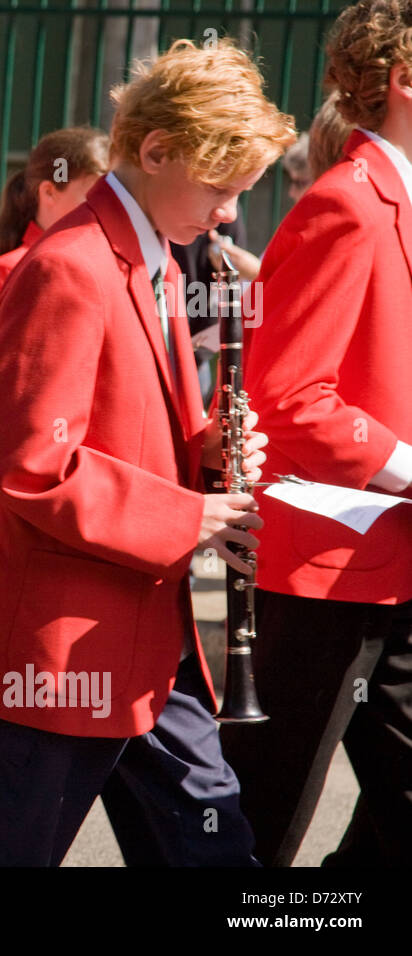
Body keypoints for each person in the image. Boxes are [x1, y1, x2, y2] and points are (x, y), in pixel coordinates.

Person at [0, 37, 293, 867]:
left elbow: (118, 426)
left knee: (218, 851)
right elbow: (25, 464)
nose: (229, 212)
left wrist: (209, 447)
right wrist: (191, 513)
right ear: (156, 152)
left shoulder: (149, 254)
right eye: (221, 188)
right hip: (54, 651)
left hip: (143, 640)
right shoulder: (73, 265)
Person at [220, 0, 412, 867]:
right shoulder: (349, 203)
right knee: (266, 817)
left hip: (389, 560)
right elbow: (290, 392)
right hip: (328, 568)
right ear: (404, 83)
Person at [0, 126, 108, 346]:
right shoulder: (11, 268)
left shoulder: (109, 263)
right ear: (49, 192)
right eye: (91, 197)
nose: (103, 209)